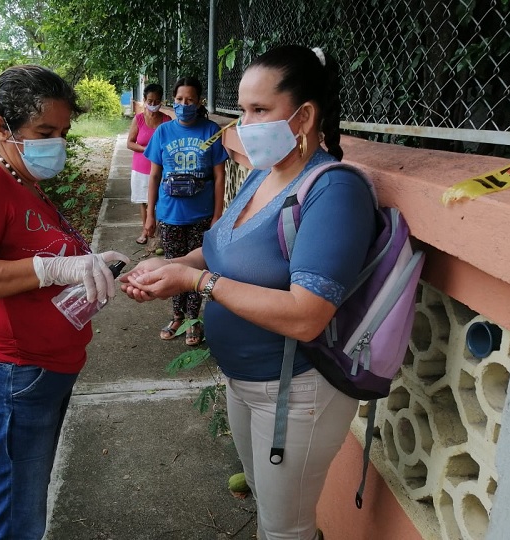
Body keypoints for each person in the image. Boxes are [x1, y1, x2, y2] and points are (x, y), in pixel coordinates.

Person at [120, 45, 377, 540]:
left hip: (294, 390)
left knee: (284, 530)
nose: (244, 124)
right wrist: (173, 266)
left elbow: (306, 316)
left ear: (304, 116)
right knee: (265, 502)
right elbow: (221, 249)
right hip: (245, 382)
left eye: (260, 110)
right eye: (242, 109)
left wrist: (196, 283)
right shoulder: (264, 172)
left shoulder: (333, 191)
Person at [0, 65, 129, 540]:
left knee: (28, 506)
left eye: (63, 133)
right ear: (2, 127)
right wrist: (51, 269)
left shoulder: (23, 179)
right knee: (19, 524)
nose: (57, 143)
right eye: (45, 132)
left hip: (40, 375)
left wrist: (90, 264)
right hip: (9, 379)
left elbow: (26, 251)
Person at [143, 76, 228, 346]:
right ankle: (176, 316)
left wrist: (217, 215)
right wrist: (150, 214)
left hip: (201, 214)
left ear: (199, 102)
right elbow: (154, 176)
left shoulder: (211, 130)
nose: (184, 104)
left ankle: (193, 320)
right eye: (179, 99)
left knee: (197, 270)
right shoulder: (163, 132)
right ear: (173, 100)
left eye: (190, 100)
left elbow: (220, 177)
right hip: (170, 214)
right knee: (173, 266)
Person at [127, 83, 172, 245]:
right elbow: (130, 143)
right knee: (144, 202)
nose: (153, 104)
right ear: (144, 100)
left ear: (161, 101)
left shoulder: (166, 120)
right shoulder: (138, 119)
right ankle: (145, 231)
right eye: (150, 101)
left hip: (161, 169)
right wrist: (146, 149)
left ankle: (159, 233)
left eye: (157, 101)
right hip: (141, 168)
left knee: (161, 201)